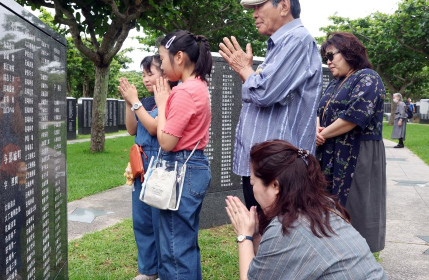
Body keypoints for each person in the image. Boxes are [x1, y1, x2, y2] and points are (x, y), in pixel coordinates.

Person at [225, 140, 387, 280]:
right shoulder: (325, 207)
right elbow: (271, 269)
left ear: (275, 186)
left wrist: (244, 236)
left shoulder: (285, 227)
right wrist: (255, 236)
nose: (252, 190)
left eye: (253, 183)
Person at [218, 0, 322, 216]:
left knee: (276, 237)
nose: (254, 14)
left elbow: (264, 93)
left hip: (279, 170)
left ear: (284, 6)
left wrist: (245, 68)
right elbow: (265, 91)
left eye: (258, 7)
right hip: (265, 166)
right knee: (261, 233)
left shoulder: (297, 40)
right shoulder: (282, 45)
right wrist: (246, 72)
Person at [316, 32, 387, 253]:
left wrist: (323, 134)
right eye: (325, 58)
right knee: (326, 211)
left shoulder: (368, 78)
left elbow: (354, 116)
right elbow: (320, 109)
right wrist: (317, 129)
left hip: (357, 155)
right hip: (330, 153)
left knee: (354, 212)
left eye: (331, 56)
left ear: (348, 52)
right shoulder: (335, 83)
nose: (328, 62)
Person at [152, 30, 213, 279]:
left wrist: (164, 102)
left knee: (174, 250)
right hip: (192, 167)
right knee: (185, 244)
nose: (161, 66)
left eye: (163, 59)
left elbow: (166, 141)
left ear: (178, 57)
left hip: (180, 169)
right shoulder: (199, 86)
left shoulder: (184, 92)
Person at [118, 55, 167, 280]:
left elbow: (156, 128)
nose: (146, 79)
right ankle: (148, 270)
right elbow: (131, 130)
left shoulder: (169, 99)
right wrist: (130, 103)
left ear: (164, 73)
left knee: (160, 222)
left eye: (151, 73)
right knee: (142, 221)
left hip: (160, 168)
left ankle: (164, 270)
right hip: (140, 167)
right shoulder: (145, 102)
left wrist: (135, 102)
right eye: (144, 74)